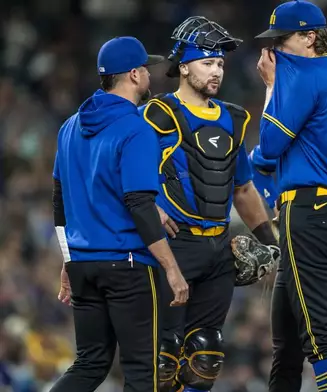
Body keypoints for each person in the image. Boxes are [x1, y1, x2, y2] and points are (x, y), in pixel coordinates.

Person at [142, 17, 279, 392]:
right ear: (183, 67)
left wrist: (269, 240)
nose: (216, 70)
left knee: (206, 356)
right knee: (163, 358)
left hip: (219, 247)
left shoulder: (234, 118)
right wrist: (147, 206)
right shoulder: (156, 115)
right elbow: (122, 172)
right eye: (207, 62)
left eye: (220, 63)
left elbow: (244, 188)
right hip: (174, 246)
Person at [50, 36, 189, 392]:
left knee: (90, 364)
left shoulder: (69, 127)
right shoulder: (136, 128)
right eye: (145, 68)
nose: (149, 75)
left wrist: (68, 259)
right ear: (132, 74)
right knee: (143, 372)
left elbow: (59, 201)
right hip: (126, 266)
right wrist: (172, 269)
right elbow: (139, 204)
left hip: (82, 264)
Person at [255, 1, 327, 391]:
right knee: (287, 341)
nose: (274, 52)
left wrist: (271, 86)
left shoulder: (306, 76)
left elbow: (270, 145)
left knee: (319, 338)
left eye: (281, 40)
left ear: (309, 37)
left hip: (310, 213)